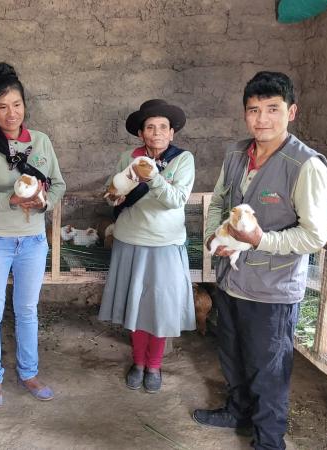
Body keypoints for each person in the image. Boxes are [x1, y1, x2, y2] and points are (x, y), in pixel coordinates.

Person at [192, 71, 327, 450]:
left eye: (273, 109)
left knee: (267, 370)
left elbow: (315, 236)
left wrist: (260, 240)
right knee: (233, 354)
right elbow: (220, 200)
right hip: (232, 280)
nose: (262, 119)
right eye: (254, 110)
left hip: (272, 291)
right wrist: (212, 235)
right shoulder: (236, 153)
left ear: (292, 112)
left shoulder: (306, 165)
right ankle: (236, 411)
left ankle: (269, 441)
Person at [0, 62, 66, 408]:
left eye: (17, 105)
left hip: (32, 240)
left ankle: (29, 373)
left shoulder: (40, 141)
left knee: (27, 310)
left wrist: (43, 202)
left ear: (25, 106)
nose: (11, 114)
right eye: (2, 107)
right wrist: (9, 199)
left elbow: (58, 182)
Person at [98, 99, 196, 393]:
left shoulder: (182, 160)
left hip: (165, 245)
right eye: (150, 127)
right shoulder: (128, 157)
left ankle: (155, 365)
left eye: (162, 127)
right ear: (141, 133)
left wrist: (153, 177)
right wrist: (113, 195)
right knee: (137, 308)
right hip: (131, 242)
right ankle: (138, 362)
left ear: (171, 133)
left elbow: (176, 199)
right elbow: (112, 192)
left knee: (160, 308)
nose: (156, 133)